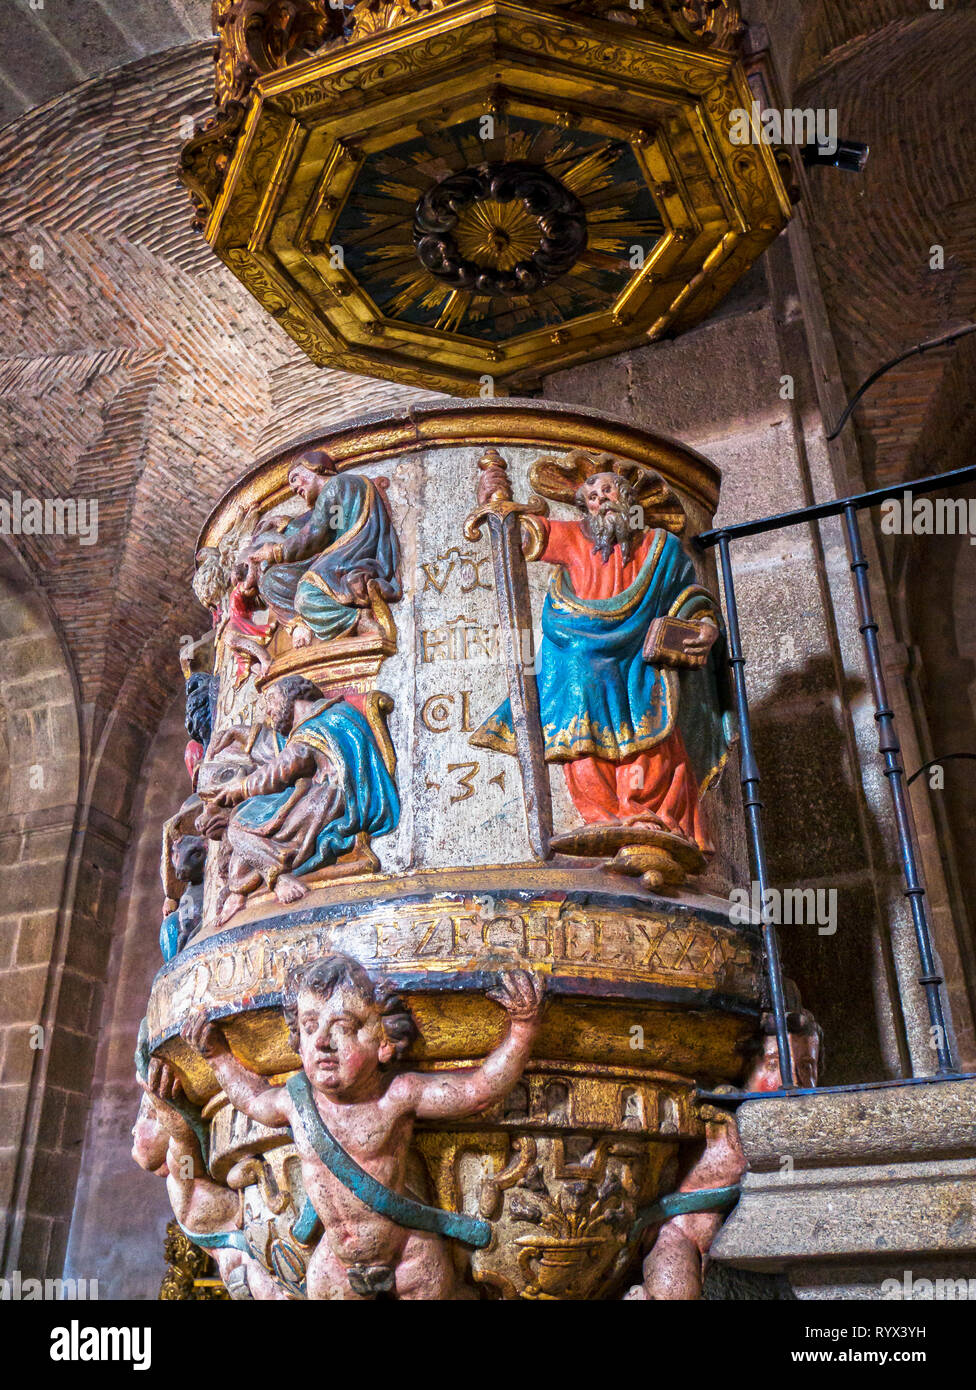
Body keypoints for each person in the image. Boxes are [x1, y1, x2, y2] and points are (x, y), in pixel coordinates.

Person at [182, 955, 545, 1300]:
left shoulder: (396, 1097)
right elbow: (254, 1100)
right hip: (336, 1260)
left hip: (408, 1251)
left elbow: (477, 1091)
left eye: (342, 1027)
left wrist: (523, 1030)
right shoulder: (296, 1103)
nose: (323, 1041)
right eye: (309, 1027)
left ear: (384, 1043)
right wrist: (218, 1057)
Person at [471, 462, 730, 852]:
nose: (601, 502)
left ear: (628, 499)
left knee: (655, 724)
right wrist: (494, 502)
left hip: (643, 658)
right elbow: (519, 537)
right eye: (592, 497)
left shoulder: (662, 548)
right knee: (577, 698)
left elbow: (689, 598)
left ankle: (653, 815)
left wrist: (706, 626)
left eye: (608, 492)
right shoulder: (575, 538)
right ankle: (606, 817)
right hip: (581, 652)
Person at [240, 450, 400, 648]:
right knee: (274, 580)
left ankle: (359, 620)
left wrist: (274, 551)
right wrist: (289, 525)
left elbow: (316, 535)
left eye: (295, 478)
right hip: (339, 552)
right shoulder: (342, 489)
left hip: (353, 555)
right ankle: (301, 625)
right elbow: (331, 526)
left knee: (307, 595)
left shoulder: (336, 485)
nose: (293, 488)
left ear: (315, 468)